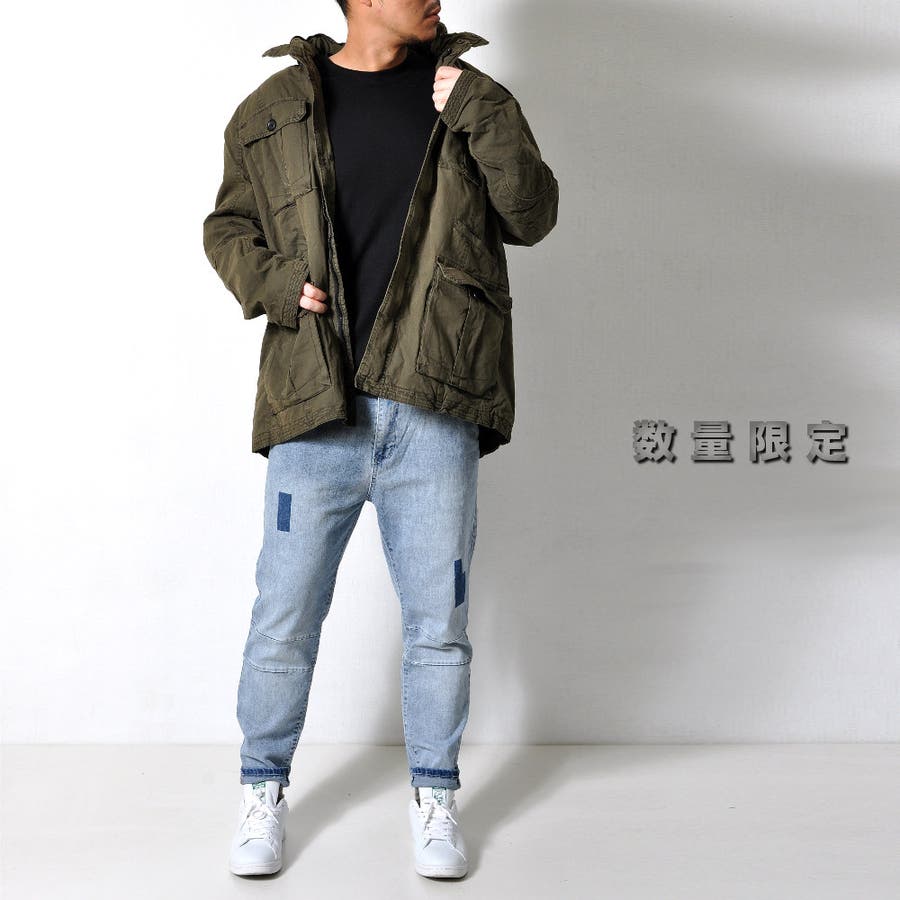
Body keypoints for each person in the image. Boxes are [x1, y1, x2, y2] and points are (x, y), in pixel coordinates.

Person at [202, 0, 558, 881]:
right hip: (313, 405)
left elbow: (533, 214)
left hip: (434, 398)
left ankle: (436, 799)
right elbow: (228, 228)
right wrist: (274, 282)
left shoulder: (469, 93)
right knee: (283, 619)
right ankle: (261, 790)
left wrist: (481, 113)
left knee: (440, 625)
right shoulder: (276, 106)